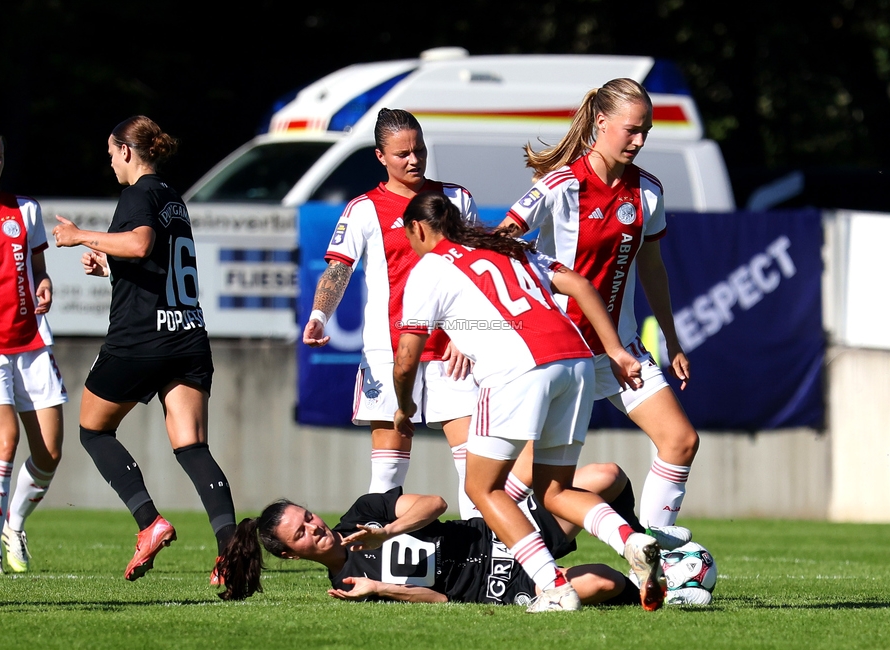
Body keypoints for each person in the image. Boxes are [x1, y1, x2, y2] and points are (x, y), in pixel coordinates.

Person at [390, 191, 664, 613]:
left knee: (482, 487)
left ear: (419, 229)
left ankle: (554, 587)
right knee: (554, 491)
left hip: (519, 370)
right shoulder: (504, 247)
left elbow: (407, 359)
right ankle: (631, 539)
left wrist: (404, 407)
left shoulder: (429, 267)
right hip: (575, 361)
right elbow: (580, 284)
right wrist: (614, 349)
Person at [497, 78, 700, 530]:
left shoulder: (647, 191)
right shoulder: (560, 185)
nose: (640, 140)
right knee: (531, 470)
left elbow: (653, 268)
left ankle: (654, 557)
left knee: (680, 440)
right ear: (601, 122)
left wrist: (672, 337)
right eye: (631, 129)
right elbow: (500, 241)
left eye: (645, 130)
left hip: (620, 349)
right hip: (563, 350)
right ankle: (491, 547)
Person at [51, 116, 236, 582]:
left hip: (141, 340)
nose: (110, 161)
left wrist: (81, 237)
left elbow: (138, 243)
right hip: (188, 334)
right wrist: (110, 264)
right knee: (193, 447)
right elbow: (152, 261)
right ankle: (230, 552)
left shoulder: (136, 194)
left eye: (112, 152)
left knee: (93, 430)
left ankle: (149, 522)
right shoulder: (172, 197)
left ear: (127, 151)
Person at [302, 108, 480, 517]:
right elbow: (338, 268)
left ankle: (483, 563)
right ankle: (375, 562)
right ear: (381, 157)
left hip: (452, 351)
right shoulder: (363, 209)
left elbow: (478, 270)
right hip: (389, 353)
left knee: (474, 465)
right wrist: (319, 315)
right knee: (387, 476)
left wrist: (466, 335)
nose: (414, 159)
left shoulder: (456, 199)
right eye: (402, 154)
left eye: (419, 149)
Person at [216, 462, 659, 608]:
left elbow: (435, 505)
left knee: (607, 475)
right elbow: (441, 602)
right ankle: (659, 586)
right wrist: (380, 588)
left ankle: (644, 546)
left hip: (497, 534)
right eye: (303, 533)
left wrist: (383, 530)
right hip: (497, 586)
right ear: (292, 556)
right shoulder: (347, 587)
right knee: (605, 581)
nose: (316, 527)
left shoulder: (362, 513)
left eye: (308, 516)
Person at [0, 126, 68, 576]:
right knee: (4, 442)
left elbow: (39, 269)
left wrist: (44, 285)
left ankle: (15, 526)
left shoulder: (25, 210)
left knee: (49, 451)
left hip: (32, 344)